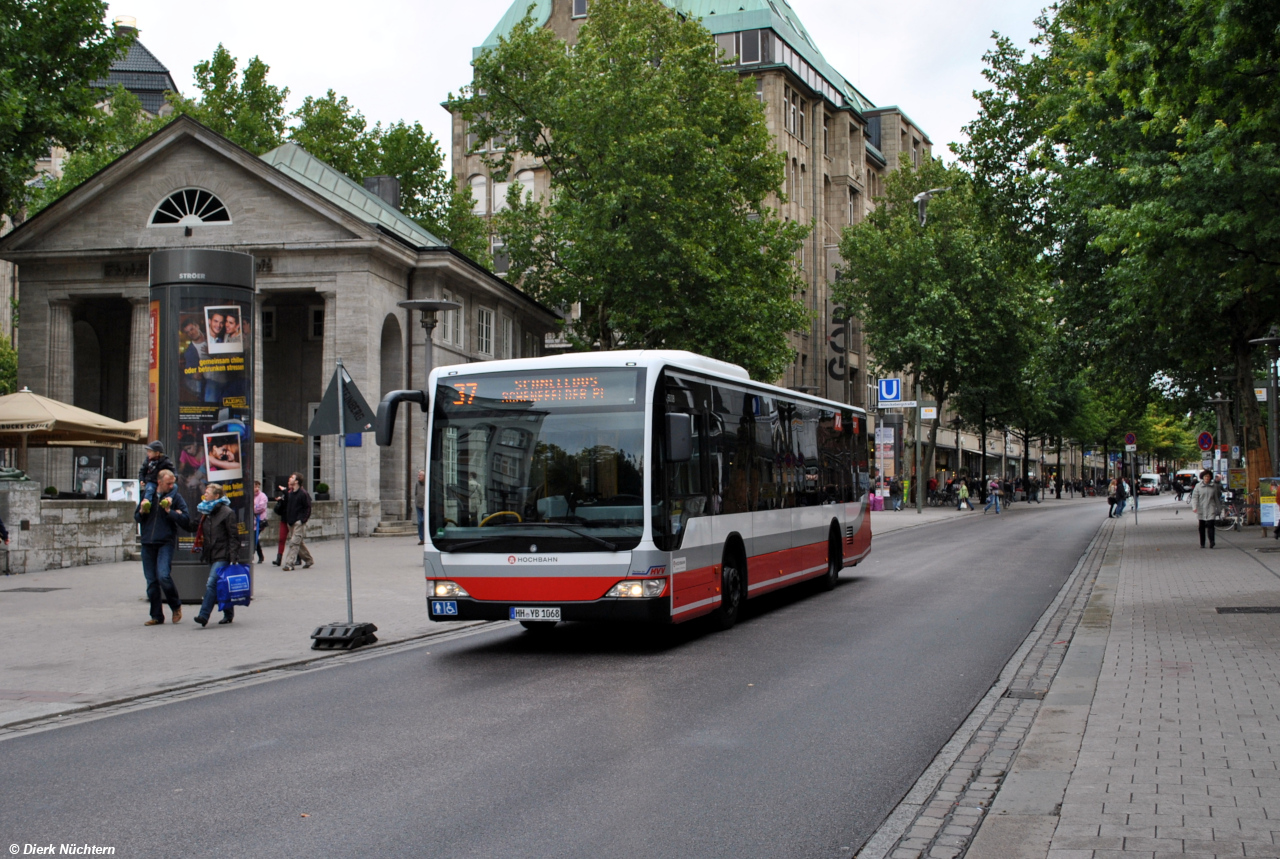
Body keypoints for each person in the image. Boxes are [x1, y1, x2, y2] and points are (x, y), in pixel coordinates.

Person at [135, 469, 192, 626]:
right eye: (169, 483)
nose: (172, 486)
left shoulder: (176, 497)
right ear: (159, 482)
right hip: (147, 542)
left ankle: (175, 605)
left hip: (165, 542)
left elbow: (186, 520)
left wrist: (171, 512)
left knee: (163, 576)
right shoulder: (148, 496)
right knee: (151, 581)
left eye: (173, 482)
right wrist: (141, 511)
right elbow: (137, 517)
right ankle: (156, 616)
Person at [193, 483, 240, 626]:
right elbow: (193, 525)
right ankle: (229, 613)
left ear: (217, 496)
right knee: (222, 585)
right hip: (210, 554)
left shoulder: (227, 512)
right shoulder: (205, 511)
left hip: (223, 554)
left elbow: (233, 536)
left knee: (212, 583)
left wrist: (233, 557)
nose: (205, 495)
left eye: (208, 493)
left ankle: (203, 615)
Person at [281, 472, 313, 571]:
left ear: (297, 481)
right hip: (290, 521)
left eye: (292, 478)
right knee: (299, 542)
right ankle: (308, 560)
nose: (290, 479)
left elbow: (308, 507)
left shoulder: (303, 493)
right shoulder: (291, 493)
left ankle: (289, 563)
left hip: (298, 522)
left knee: (294, 543)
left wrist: (302, 520)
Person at [1190, 469, 1223, 549]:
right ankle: (1202, 543)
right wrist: (1194, 507)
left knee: (1211, 524)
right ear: (1203, 477)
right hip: (1201, 507)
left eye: (1208, 476)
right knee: (1202, 526)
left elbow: (1216, 498)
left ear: (1210, 477)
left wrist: (1219, 508)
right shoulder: (1198, 486)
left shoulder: (1214, 486)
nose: (1207, 478)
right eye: (1205, 476)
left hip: (1210, 507)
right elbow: (1194, 497)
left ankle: (1212, 541)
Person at [137, 440, 175, 507]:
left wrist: (175, 477)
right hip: (152, 481)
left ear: (157, 453)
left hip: (163, 482)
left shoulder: (165, 461)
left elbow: (173, 470)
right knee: (149, 489)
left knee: (174, 487)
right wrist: (142, 479)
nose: (148, 453)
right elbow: (142, 471)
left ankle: (168, 499)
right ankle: (147, 502)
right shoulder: (147, 461)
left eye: (150, 452)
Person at [253, 480, 268, 563]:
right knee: (254, 538)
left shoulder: (263, 496)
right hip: (252, 521)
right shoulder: (250, 496)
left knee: (254, 537)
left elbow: (260, 508)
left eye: (258, 487)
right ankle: (260, 555)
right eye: (255, 487)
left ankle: (252, 554)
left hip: (260, 521)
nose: (257, 489)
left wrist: (253, 508)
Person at [414, 469, 426, 545]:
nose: (418, 476)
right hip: (418, 505)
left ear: (424, 476)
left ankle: (426, 537)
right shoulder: (417, 484)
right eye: (418, 475)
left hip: (425, 506)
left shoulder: (427, 483)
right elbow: (416, 493)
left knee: (423, 521)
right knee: (419, 522)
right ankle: (422, 539)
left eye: (420, 475)